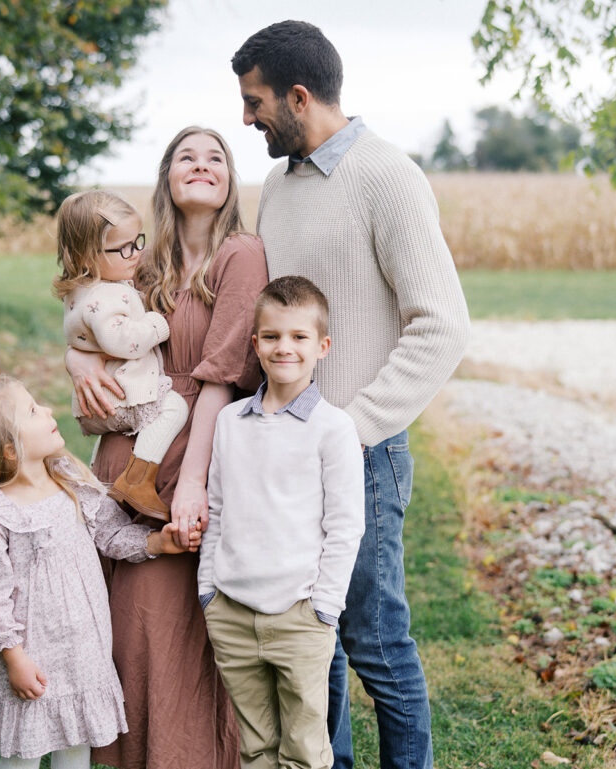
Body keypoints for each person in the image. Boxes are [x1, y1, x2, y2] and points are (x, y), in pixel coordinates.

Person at [232, 22, 471, 769]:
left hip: (361, 456)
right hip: (284, 453)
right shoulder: (276, 184)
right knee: (313, 638)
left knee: (374, 640)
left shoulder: (387, 176)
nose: (246, 119)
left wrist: (349, 427)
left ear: (299, 97)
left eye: (255, 101)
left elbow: (442, 325)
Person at [65, 126, 268, 769]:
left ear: (231, 180)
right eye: (187, 156)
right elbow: (87, 320)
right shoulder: (139, 261)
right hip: (123, 455)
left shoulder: (242, 254)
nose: (202, 165)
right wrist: (77, 367)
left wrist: (191, 480)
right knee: (122, 630)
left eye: (216, 157)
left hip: (189, 461)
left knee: (171, 627)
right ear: (167, 176)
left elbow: (225, 373)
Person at [0, 375, 187, 769]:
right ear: (10, 450)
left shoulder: (70, 483)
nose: (49, 410)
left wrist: (154, 543)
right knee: (24, 750)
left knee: (76, 748)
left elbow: (110, 533)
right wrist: (14, 658)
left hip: (82, 650)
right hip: (32, 656)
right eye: (33, 411)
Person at [198, 276, 365, 769]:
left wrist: (325, 608)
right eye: (271, 337)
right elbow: (219, 509)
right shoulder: (231, 422)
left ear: (322, 346)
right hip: (231, 610)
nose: (284, 347)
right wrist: (209, 591)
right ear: (255, 343)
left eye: (298, 337)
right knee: (256, 749)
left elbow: (345, 526)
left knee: (304, 752)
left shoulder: (333, 429)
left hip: (300, 615)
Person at [54, 189, 189, 520]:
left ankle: (102, 471)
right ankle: (138, 479)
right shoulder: (107, 295)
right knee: (174, 406)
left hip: (102, 398)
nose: (135, 254)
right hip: (120, 395)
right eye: (123, 248)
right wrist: (157, 325)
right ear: (87, 257)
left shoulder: (83, 290)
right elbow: (120, 340)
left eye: (137, 241)